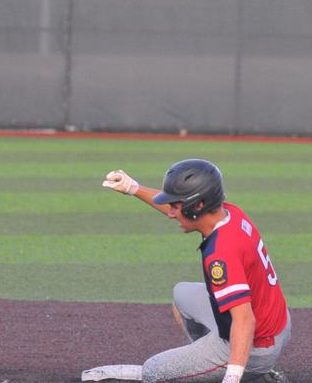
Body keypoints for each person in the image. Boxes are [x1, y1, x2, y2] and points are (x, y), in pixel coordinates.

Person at [88, 159, 291, 383]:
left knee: (154, 371)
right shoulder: (230, 213)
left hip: (256, 345)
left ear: (198, 206)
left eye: (175, 207)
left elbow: (244, 320)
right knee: (182, 294)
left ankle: (249, 372)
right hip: (277, 321)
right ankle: (211, 367)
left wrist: (232, 378)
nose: (171, 213)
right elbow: (179, 206)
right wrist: (133, 188)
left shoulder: (221, 253)